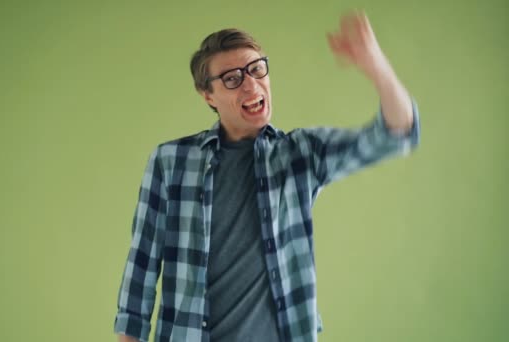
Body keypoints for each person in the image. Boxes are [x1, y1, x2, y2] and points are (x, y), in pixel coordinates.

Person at [114, 11, 420, 342]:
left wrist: (376, 66)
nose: (251, 84)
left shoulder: (300, 154)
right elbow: (142, 264)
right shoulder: (171, 161)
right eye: (232, 78)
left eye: (257, 69)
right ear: (208, 95)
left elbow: (395, 134)